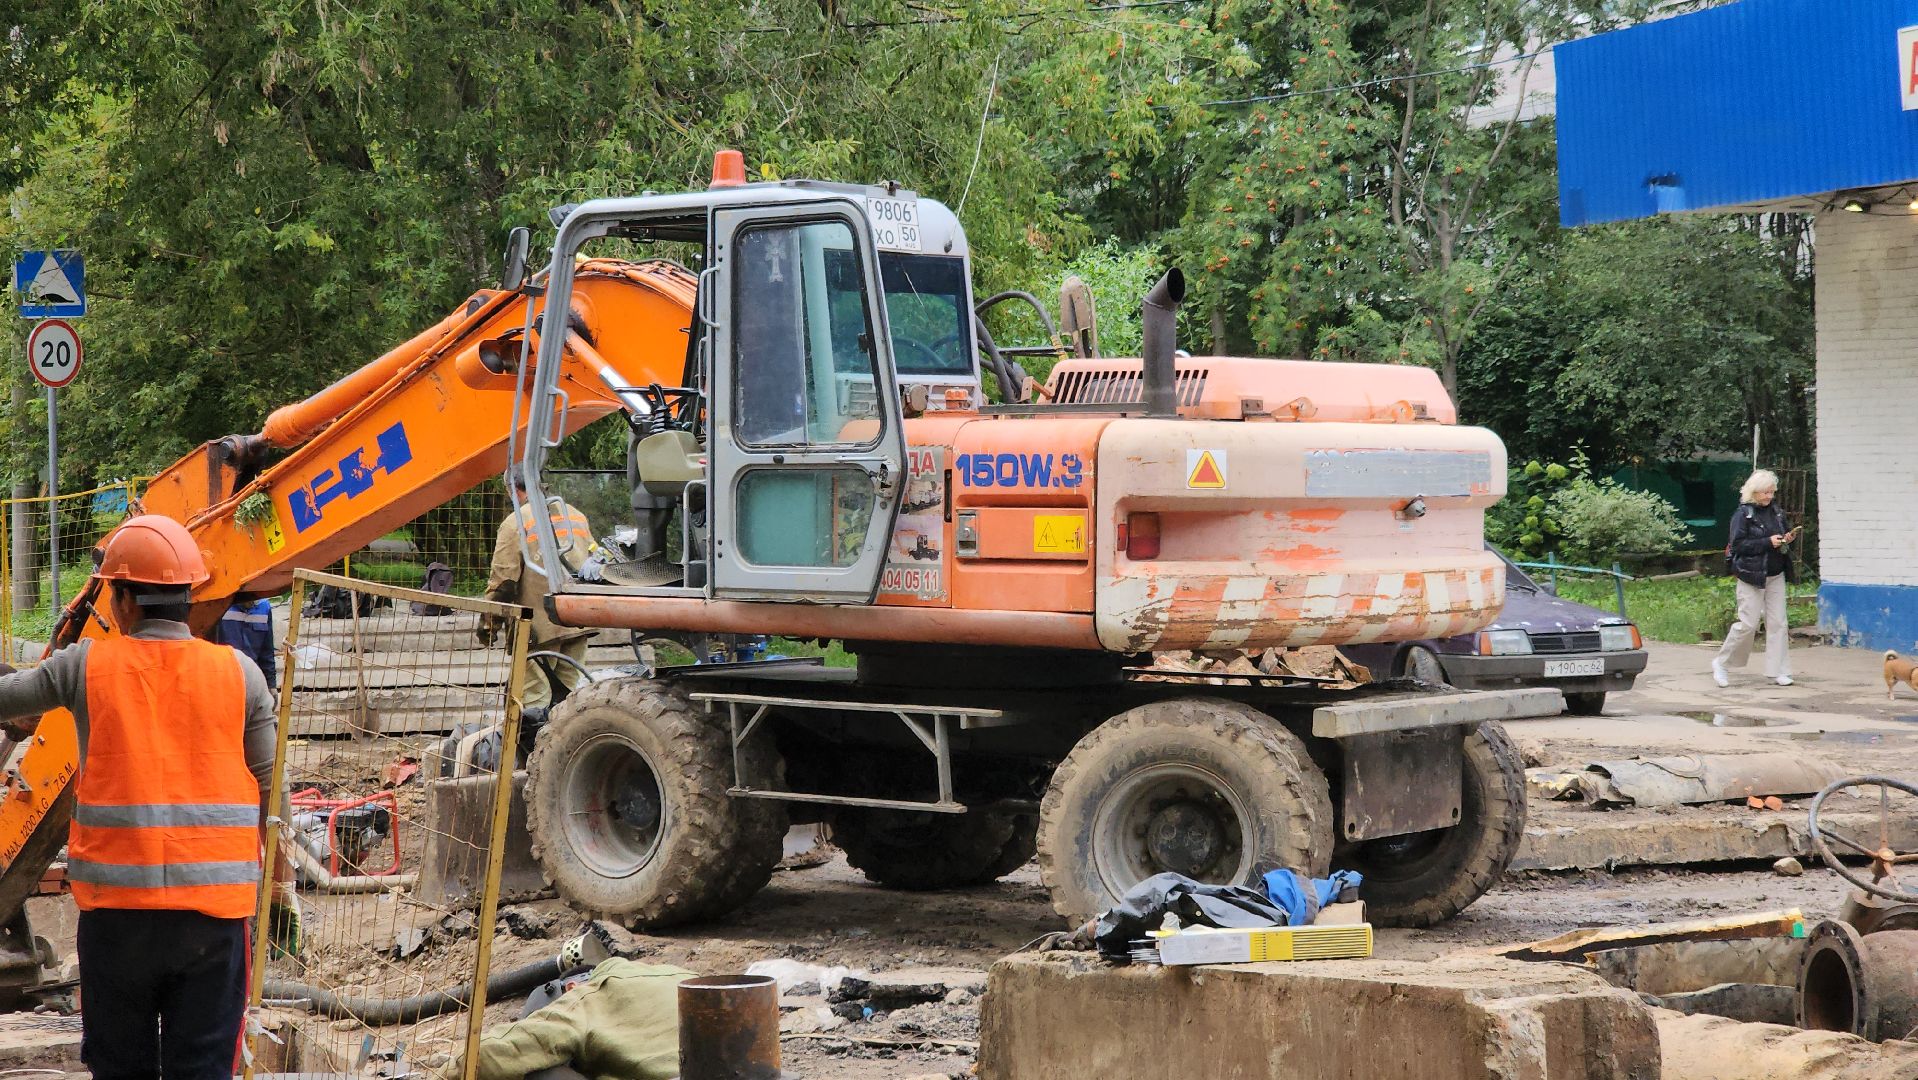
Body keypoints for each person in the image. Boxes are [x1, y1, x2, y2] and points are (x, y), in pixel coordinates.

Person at [0, 515, 278, 1079]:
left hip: (117, 922)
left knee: (120, 1067)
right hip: (214, 922)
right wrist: (282, 880)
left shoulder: (85, 667)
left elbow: (10, 697)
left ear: (123, 599)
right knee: (203, 1069)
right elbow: (272, 781)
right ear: (189, 596)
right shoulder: (241, 674)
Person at [485, 475, 600, 712]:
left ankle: (534, 737)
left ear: (512, 489)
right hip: (576, 621)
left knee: (533, 701)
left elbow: (504, 582)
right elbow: (596, 559)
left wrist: (489, 624)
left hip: (537, 628)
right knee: (567, 700)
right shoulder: (575, 514)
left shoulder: (516, 522)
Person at [1713, 469, 1800, 688]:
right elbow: (1738, 546)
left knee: (1778, 623)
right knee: (1748, 624)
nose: (1769, 496)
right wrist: (1767, 542)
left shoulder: (1777, 512)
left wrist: (1787, 538)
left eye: (1772, 492)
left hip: (1775, 574)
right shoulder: (1743, 514)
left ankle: (1778, 671)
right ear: (1754, 492)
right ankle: (1722, 663)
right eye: (1765, 492)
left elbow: (1781, 536)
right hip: (1750, 576)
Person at [215, 596, 277, 689]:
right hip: (224, 676)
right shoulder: (221, 606)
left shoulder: (264, 607)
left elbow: (267, 652)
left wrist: (271, 685)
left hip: (252, 678)